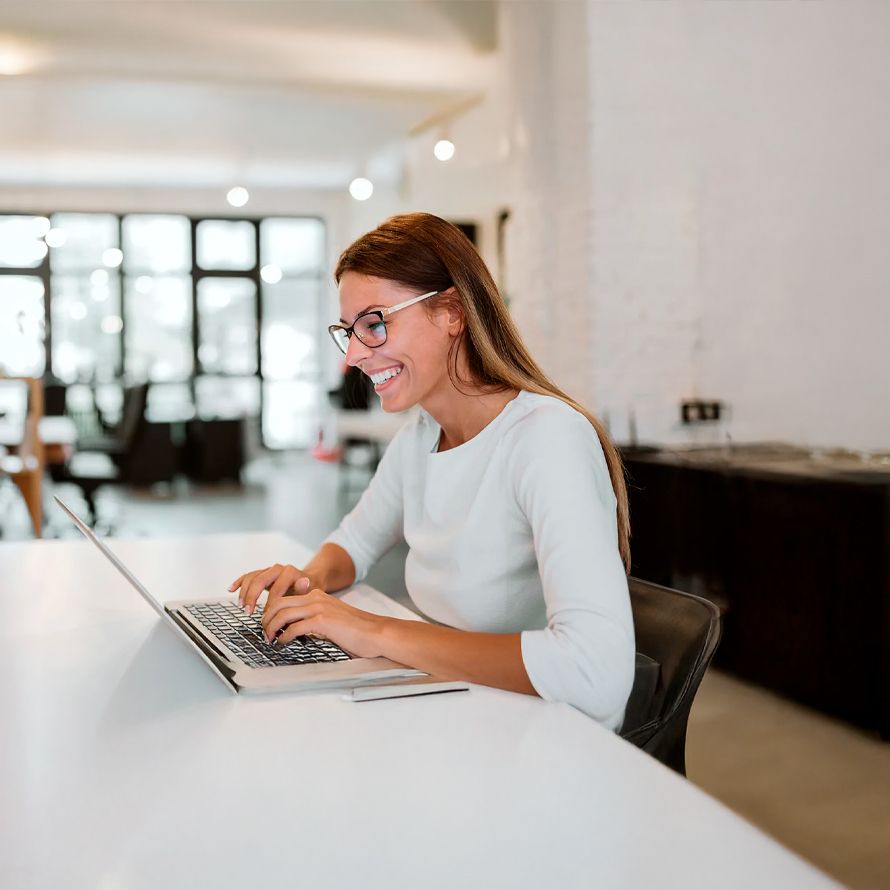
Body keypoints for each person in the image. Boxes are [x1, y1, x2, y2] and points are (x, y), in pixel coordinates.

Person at [231, 213, 635, 729]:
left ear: (451, 312)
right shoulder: (422, 435)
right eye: (348, 332)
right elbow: (354, 544)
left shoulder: (547, 437)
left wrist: (372, 631)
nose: (354, 354)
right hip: (464, 709)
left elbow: (594, 672)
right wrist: (306, 586)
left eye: (374, 324)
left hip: (543, 738)